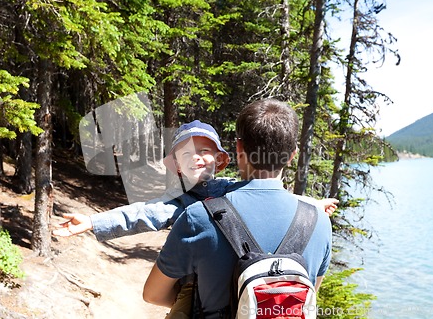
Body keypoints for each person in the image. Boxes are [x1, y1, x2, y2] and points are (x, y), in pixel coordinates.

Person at [54, 119, 337, 318]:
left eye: (203, 151)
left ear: (222, 160)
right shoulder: (178, 203)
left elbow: (268, 193)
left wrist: (312, 203)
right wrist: (94, 222)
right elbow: (141, 213)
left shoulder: (229, 188)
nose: (196, 158)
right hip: (193, 290)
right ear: (176, 166)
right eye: (185, 153)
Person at [143, 99, 333, 318]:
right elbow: (308, 298)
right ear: (292, 155)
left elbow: (153, 295)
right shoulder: (319, 221)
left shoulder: (198, 216)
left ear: (239, 148)